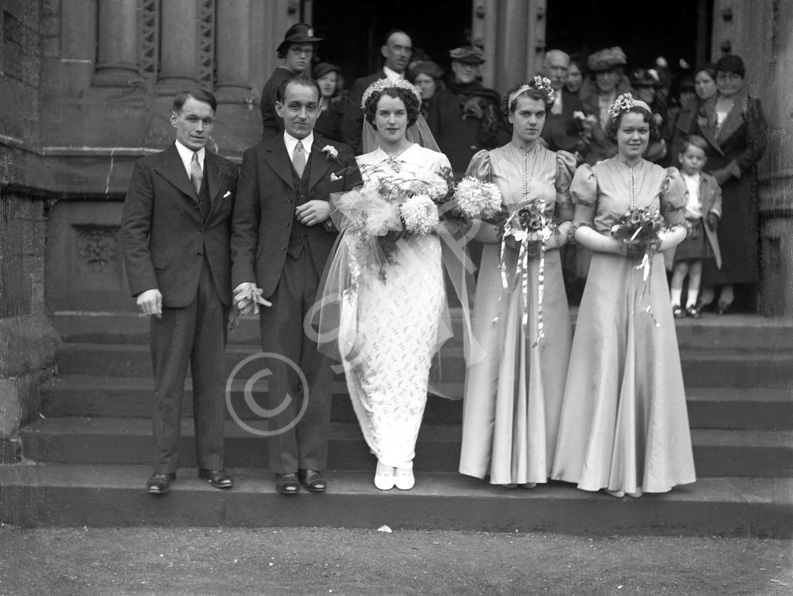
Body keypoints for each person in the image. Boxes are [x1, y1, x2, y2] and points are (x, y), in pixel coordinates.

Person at [551, 93, 696, 498]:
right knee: (605, 356)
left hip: (649, 279)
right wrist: (617, 246)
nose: (635, 136)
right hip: (608, 277)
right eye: (628, 129)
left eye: (643, 130)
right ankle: (599, 465)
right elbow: (578, 228)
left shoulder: (664, 176)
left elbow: (681, 226)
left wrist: (654, 242)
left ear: (651, 133)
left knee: (648, 356)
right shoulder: (593, 174)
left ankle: (647, 467)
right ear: (613, 132)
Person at [231, 75, 362, 495]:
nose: (302, 114)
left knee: (316, 371)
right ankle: (285, 466)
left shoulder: (341, 156)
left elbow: (362, 218)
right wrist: (245, 279)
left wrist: (331, 208)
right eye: (294, 106)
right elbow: (244, 225)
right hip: (275, 277)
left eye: (310, 106)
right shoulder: (257, 157)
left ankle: (312, 464)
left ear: (321, 109)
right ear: (279, 109)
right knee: (279, 369)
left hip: (325, 273)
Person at [320, 79, 452, 491]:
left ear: (411, 116)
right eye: (384, 113)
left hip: (420, 271)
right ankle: (384, 451)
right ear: (371, 119)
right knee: (376, 355)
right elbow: (348, 220)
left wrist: (419, 217)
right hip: (375, 272)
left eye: (399, 112)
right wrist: (375, 220)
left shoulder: (433, 162)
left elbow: (452, 218)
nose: (391, 120)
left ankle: (404, 454)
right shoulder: (358, 164)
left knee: (411, 358)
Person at [120, 89, 238, 495]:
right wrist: (145, 285)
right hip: (169, 288)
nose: (200, 128)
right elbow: (134, 233)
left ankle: (213, 464)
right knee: (169, 380)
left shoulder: (226, 171)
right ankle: (164, 468)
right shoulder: (150, 169)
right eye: (192, 119)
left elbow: (235, 232)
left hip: (215, 286)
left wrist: (236, 287)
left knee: (211, 379)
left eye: (207, 121)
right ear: (175, 120)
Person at [459, 79, 575, 487]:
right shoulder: (487, 162)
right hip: (501, 269)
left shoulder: (559, 164)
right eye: (524, 113)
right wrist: (508, 235)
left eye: (539, 114)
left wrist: (549, 236)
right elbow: (472, 221)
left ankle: (540, 461)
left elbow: (569, 218)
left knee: (544, 351)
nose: (532, 121)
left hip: (545, 271)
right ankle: (489, 458)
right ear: (509, 116)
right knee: (496, 351)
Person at [686, 55, 768, 313]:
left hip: (738, 180)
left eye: (733, 77)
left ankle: (729, 288)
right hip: (706, 176)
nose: (727, 82)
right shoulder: (705, 106)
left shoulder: (750, 105)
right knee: (710, 231)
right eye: (722, 77)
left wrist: (730, 170)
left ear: (742, 80)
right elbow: (693, 139)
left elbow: (757, 146)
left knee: (733, 234)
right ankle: (709, 289)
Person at [427, 45, 509, 176]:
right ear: (454, 66)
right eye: (463, 64)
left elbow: (503, 139)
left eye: (473, 65)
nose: (468, 69)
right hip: (447, 173)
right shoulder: (440, 99)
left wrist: (488, 124)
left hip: (480, 173)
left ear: (477, 69)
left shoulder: (490, 98)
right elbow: (430, 138)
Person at [670, 135, 723, 318]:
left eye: (699, 159)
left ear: (704, 161)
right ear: (680, 158)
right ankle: (675, 303)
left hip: (701, 227)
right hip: (681, 227)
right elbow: (666, 202)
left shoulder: (709, 181)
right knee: (681, 267)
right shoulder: (673, 179)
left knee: (696, 268)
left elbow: (717, 197)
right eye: (690, 157)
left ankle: (692, 304)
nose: (694, 161)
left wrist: (714, 213)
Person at [341, 29, 413, 154]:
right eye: (398, 48)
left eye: (407, 50)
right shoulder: (364, 85)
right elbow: (351, 128)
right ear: (385, 51)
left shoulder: (413, 88)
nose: (403, 54)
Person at [260, 23, 322, 140]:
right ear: (285, 51)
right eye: (297, 50)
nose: (303, 56)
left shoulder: (290, 80)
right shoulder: (282, 82)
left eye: (308, 51)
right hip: (278, 150)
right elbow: (289, 128)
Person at [578, 46, 633, 165]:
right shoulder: (585, 102)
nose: (605, 78)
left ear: (618, 76)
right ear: (595, 77)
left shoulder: (630, 101)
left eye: (610, 73)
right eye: (601, 73)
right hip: (592, 166)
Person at [539, 49, 587, 154]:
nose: (559, 74)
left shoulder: (575, 103)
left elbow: (584, 143)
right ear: (544, 69)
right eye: (554, 68)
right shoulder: (530, 97)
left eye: (564, 69)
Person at [313, 62, 344, 142]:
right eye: (323, 78)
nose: (328, 83)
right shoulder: (306, 110)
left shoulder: (340, 112)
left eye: (332, 80)